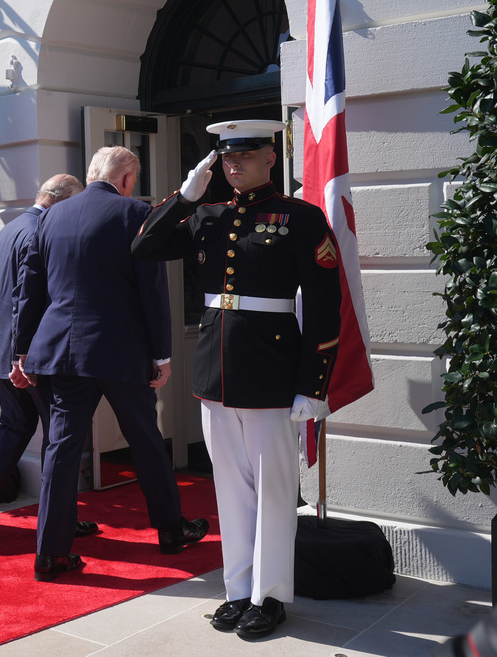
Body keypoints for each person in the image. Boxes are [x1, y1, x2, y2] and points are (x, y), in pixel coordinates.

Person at [132, 120, 342, 639]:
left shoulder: (299, 218)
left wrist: (314, 385)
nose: (233, 165)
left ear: (272, 157)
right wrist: (183, 198)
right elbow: (144, 247)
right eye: (227, 158)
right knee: (229, 488)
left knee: (273, 490)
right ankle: (237, 589)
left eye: (245, 156)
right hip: (215, 370)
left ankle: (269, 596)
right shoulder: (206, 215)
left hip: (272, 373)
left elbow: (323, 305)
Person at [14, 146, 210, 582]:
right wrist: (162, 354)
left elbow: (30, 290)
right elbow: (152, 290)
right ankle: (172, 530)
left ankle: (50, 553)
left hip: (61, 352)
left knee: (61, 451)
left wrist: (22, 349)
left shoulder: (49, 217)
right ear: (127, 179)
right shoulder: (133, 212)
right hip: (119, 350)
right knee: (145, 441)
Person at [0, 174, 99, 540]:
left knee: (16, 427)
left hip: (6, 351)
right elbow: (28, 300)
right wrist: (26, 357)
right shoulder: (41, 232)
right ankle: (61, 523)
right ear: (61, 200)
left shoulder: (10, 229)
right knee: (59, 439)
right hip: (32, 357)